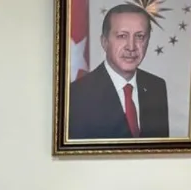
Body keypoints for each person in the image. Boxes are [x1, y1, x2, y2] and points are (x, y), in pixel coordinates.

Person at [68, 3, 169, 139]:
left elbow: (161, 148)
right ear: (104, 42)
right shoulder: (77, 95)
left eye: (139, 36)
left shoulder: (156, 87)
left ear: (148, 41)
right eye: (122, 36)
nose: (131, 47)